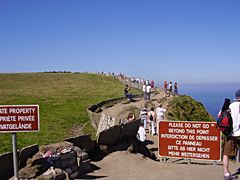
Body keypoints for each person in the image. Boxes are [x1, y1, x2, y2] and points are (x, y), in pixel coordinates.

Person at [222, 89, 240, 180]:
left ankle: (226, 174)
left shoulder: (230, 106)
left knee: (226, 154)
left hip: (231, 134)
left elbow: (220, 116)